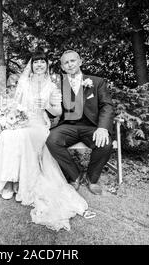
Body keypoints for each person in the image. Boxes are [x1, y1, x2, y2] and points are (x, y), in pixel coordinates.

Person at [0, 49, 95, 231]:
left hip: (39, 125)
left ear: (46, 65)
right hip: (22, 122)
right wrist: (11, 117)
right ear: (31, 65)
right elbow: (15, 104)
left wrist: (46, 105)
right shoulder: (23, 82)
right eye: (35, 62)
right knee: (7, 135)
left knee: (22, 136)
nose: (39, 65)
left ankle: (17, 183)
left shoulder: (52, 86)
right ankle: (9, 181)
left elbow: (58, 112)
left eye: (42, 62)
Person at [46, 50, 115, 195]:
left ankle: (92, 178)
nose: (70, 64)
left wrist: (103, 128)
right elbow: (52, 108)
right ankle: (74, 175)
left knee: (106, 143)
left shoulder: (96, 82)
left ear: (80, 62)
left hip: (92, 127)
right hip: (68, 126)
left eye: (72, 61)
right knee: (51, 140)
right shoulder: (58, 85)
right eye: (66, 62)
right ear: (63, 67)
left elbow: (107, 106)